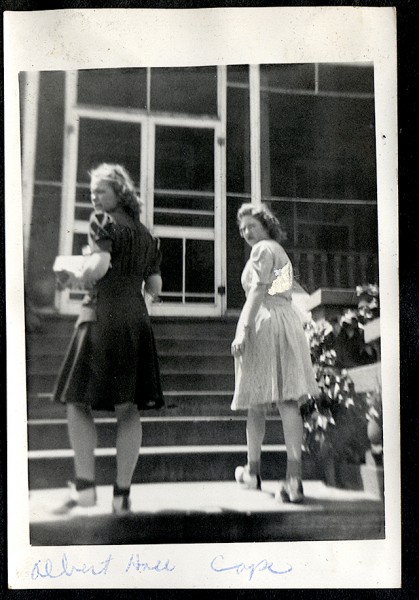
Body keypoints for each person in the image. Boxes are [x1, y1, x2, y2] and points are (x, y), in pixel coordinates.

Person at [53, 163, 164, 514]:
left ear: (120, 192)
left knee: (76, 400)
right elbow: (156, 288)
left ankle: (85, 488)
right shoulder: (148, 236)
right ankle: (122, 494)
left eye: (101, 190)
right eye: (92, 192)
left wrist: (74, 273)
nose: (95, 197)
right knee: (128, 406)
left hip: (101, 316)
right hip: (135, 320)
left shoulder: (102, 222)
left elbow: (99, 267)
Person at [231, 203, 319, 503]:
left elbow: (257, 291)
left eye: (250, 226)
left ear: (265, 224)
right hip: (285, 321)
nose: (245, 232)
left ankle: (256, 472)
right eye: (242, 229)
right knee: (284, 400)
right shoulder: (279, 252)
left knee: (261, 402)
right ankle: (290, 478)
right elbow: (282, 291)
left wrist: (242, 328)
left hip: (266, 322)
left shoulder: (261, 251)